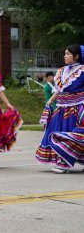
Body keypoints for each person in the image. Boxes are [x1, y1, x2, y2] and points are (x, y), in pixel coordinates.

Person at [36, 44, 84, 174]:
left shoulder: (83, 70)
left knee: (72, 135)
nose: (65, 56)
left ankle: (64, 164)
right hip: (61, 108)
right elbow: (58, 89)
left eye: (68, 53)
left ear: (77, 56)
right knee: (57, 132)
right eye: (65, 53)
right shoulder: (61, 71)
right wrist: (51, 100)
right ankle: (62, 160)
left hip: (77, 108)